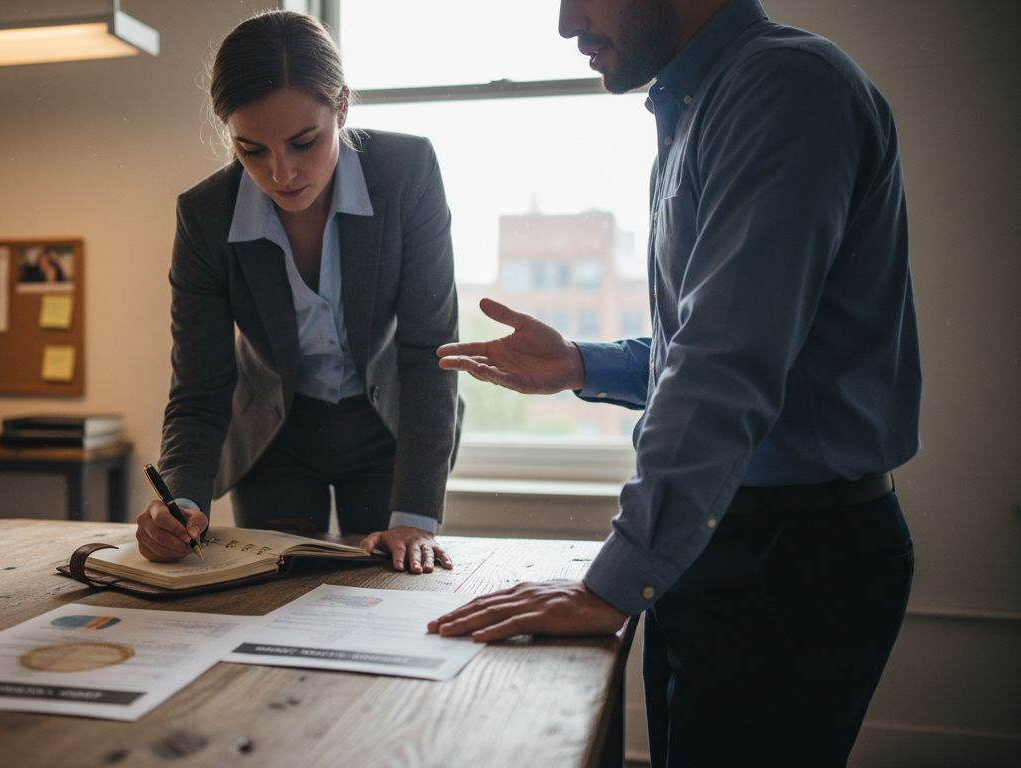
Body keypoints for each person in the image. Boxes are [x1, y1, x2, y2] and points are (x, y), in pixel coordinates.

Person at [428, 1, 919, 765]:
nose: (566, 25)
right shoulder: (704, 104)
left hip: (792, 559)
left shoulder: (783, 87)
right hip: (732, 540)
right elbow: (716, 340)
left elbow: (724, 365)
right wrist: (583, 366)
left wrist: (613, 584)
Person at [137, 11, 461, 575]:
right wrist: (180, 502)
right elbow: (199, 387)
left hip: (389, 428)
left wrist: (415, 515)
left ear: (342, 107)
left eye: (303, 142)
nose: (281, 173)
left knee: (388, 584)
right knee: (271, 590)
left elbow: (429, 352)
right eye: (251, 150)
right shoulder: (205, 216)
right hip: (274, 435)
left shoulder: (408, 172)